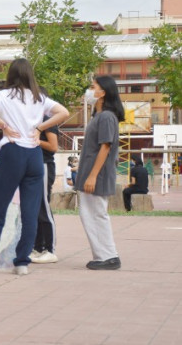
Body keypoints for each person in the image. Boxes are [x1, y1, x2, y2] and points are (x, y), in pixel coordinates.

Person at [0, 58, 69, 275]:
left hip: (12, 151)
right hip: (34, 155)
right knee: (30, 212)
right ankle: (22, 262)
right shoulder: (39, 97)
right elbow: (64, 112)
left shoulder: (4, 95)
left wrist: (4, 125)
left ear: (11, 75)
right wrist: (40, 128)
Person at [75, 75, 125, 271]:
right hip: (90, 173)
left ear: (102, 92)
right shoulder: (99, 116)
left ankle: (108, 255)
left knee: (96, 214)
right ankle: (102, 255)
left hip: (97, 174)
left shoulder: (106, 117)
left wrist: (93, 175)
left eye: (92, 87)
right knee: (91, 214)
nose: (89, 91)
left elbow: (105, 147)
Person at [31, 115, 59, 264]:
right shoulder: (30, 117)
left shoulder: (46, 119)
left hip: (44, 164)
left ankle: (50, 249)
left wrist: (36, 140)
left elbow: (53, 147)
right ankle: (37, 247)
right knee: (34, 209)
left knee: (43, 207)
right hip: (32, 164)